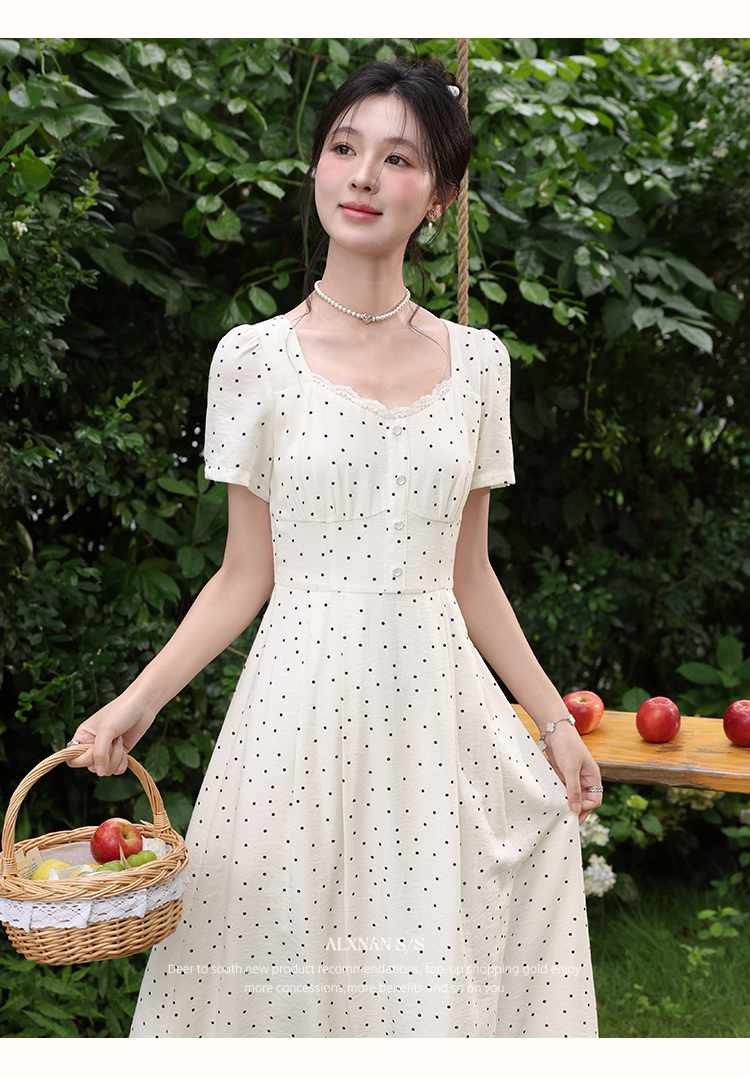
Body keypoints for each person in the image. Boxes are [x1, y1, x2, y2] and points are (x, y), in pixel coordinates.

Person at [67, 57, 602, 1038]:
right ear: (316, 166)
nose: (362, 175)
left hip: (436, 712)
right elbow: (245, 573)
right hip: (296, 710)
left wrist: (554, 722)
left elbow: (470, 574)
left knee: (425, 980)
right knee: (279, 964)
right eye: (345, 148)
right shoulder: (253, 358)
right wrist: (137, 703)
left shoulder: (479, 366)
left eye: (398, 158)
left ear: (439, 196)